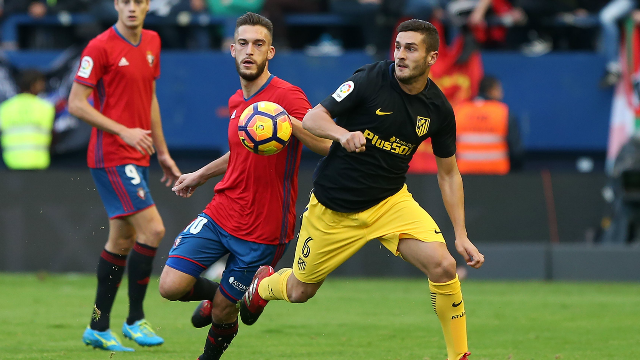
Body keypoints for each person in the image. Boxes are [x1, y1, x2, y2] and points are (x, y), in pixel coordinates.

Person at [239, 19, 485, 360]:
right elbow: (312, 118)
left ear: (432, 58)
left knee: (443, 265)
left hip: (389, 203)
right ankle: (263, 285)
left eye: (410, 49)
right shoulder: (370, 79)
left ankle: (458, 355)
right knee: (299, 291)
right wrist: (341, 134)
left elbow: (448, 173)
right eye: (398, 47)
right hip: (334, 208)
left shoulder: (439, 110)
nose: (400, 55)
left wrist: (460, 234)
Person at [157, 12, 331, 360]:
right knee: (170, 286)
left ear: (271, 52)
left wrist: (289, 124)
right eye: (244, 43)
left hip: (263, 227)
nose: (250, 50)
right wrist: (200, 175)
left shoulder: (287, 95)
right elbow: (241, 152)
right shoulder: (238, 100)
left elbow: (326, 145)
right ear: (232, 49)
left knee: (224, 311)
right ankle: (224, 295)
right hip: (223, 210)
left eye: (259, 44)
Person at [68, 0, 181, 352]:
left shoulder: (152, 42)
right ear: (117, 4)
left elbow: (149, 99)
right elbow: (76, 103)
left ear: (148, 5)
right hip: (112, 156)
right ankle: (134, 320)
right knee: (154, 229)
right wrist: (124, 131)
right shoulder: (99, 46)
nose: (132, 7)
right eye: (125, 1)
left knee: (121, 242)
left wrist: (161, 151)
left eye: (139, 1)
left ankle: (98, 327)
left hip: (139, 156)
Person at [454, 75, 523, 174]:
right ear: (492, 91)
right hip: (497, 176)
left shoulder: (460, 111)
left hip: (465, 176)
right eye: (499, 90)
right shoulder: (504, 113)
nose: (502, 94)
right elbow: (516, 151)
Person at [0, 69, 55, 170]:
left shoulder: (5, 108)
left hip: (9, 164)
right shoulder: (46, 107)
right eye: (41, 83)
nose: (43, 87)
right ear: (33, 84)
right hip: (39, 164)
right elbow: (53, 136)